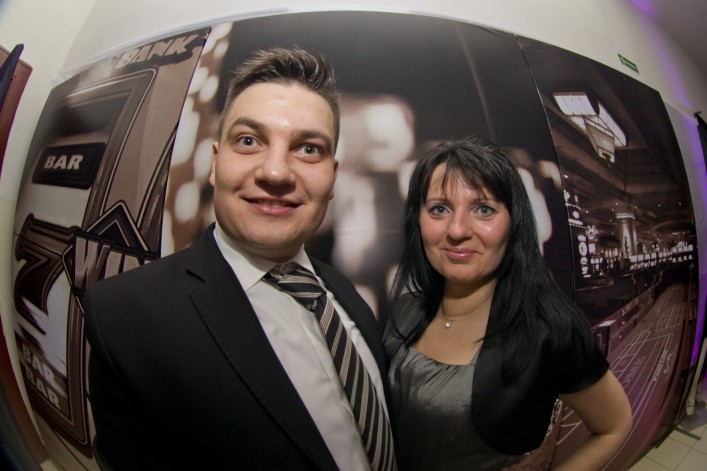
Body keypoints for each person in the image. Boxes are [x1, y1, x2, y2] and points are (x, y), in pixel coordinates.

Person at [83, 46, 395, 471]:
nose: (275, 172)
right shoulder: (127, 317)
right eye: (249, 141)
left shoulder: (344, 293)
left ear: (333, 176)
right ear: (215, 163)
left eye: (308, 149)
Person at [384, 136, 632, 470]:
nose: (457, 230)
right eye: (439, 209)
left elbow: (614, 426)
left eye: (483, 209)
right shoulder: (405, 309)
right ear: (418, 218)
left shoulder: (548, 329)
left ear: (514, 222)